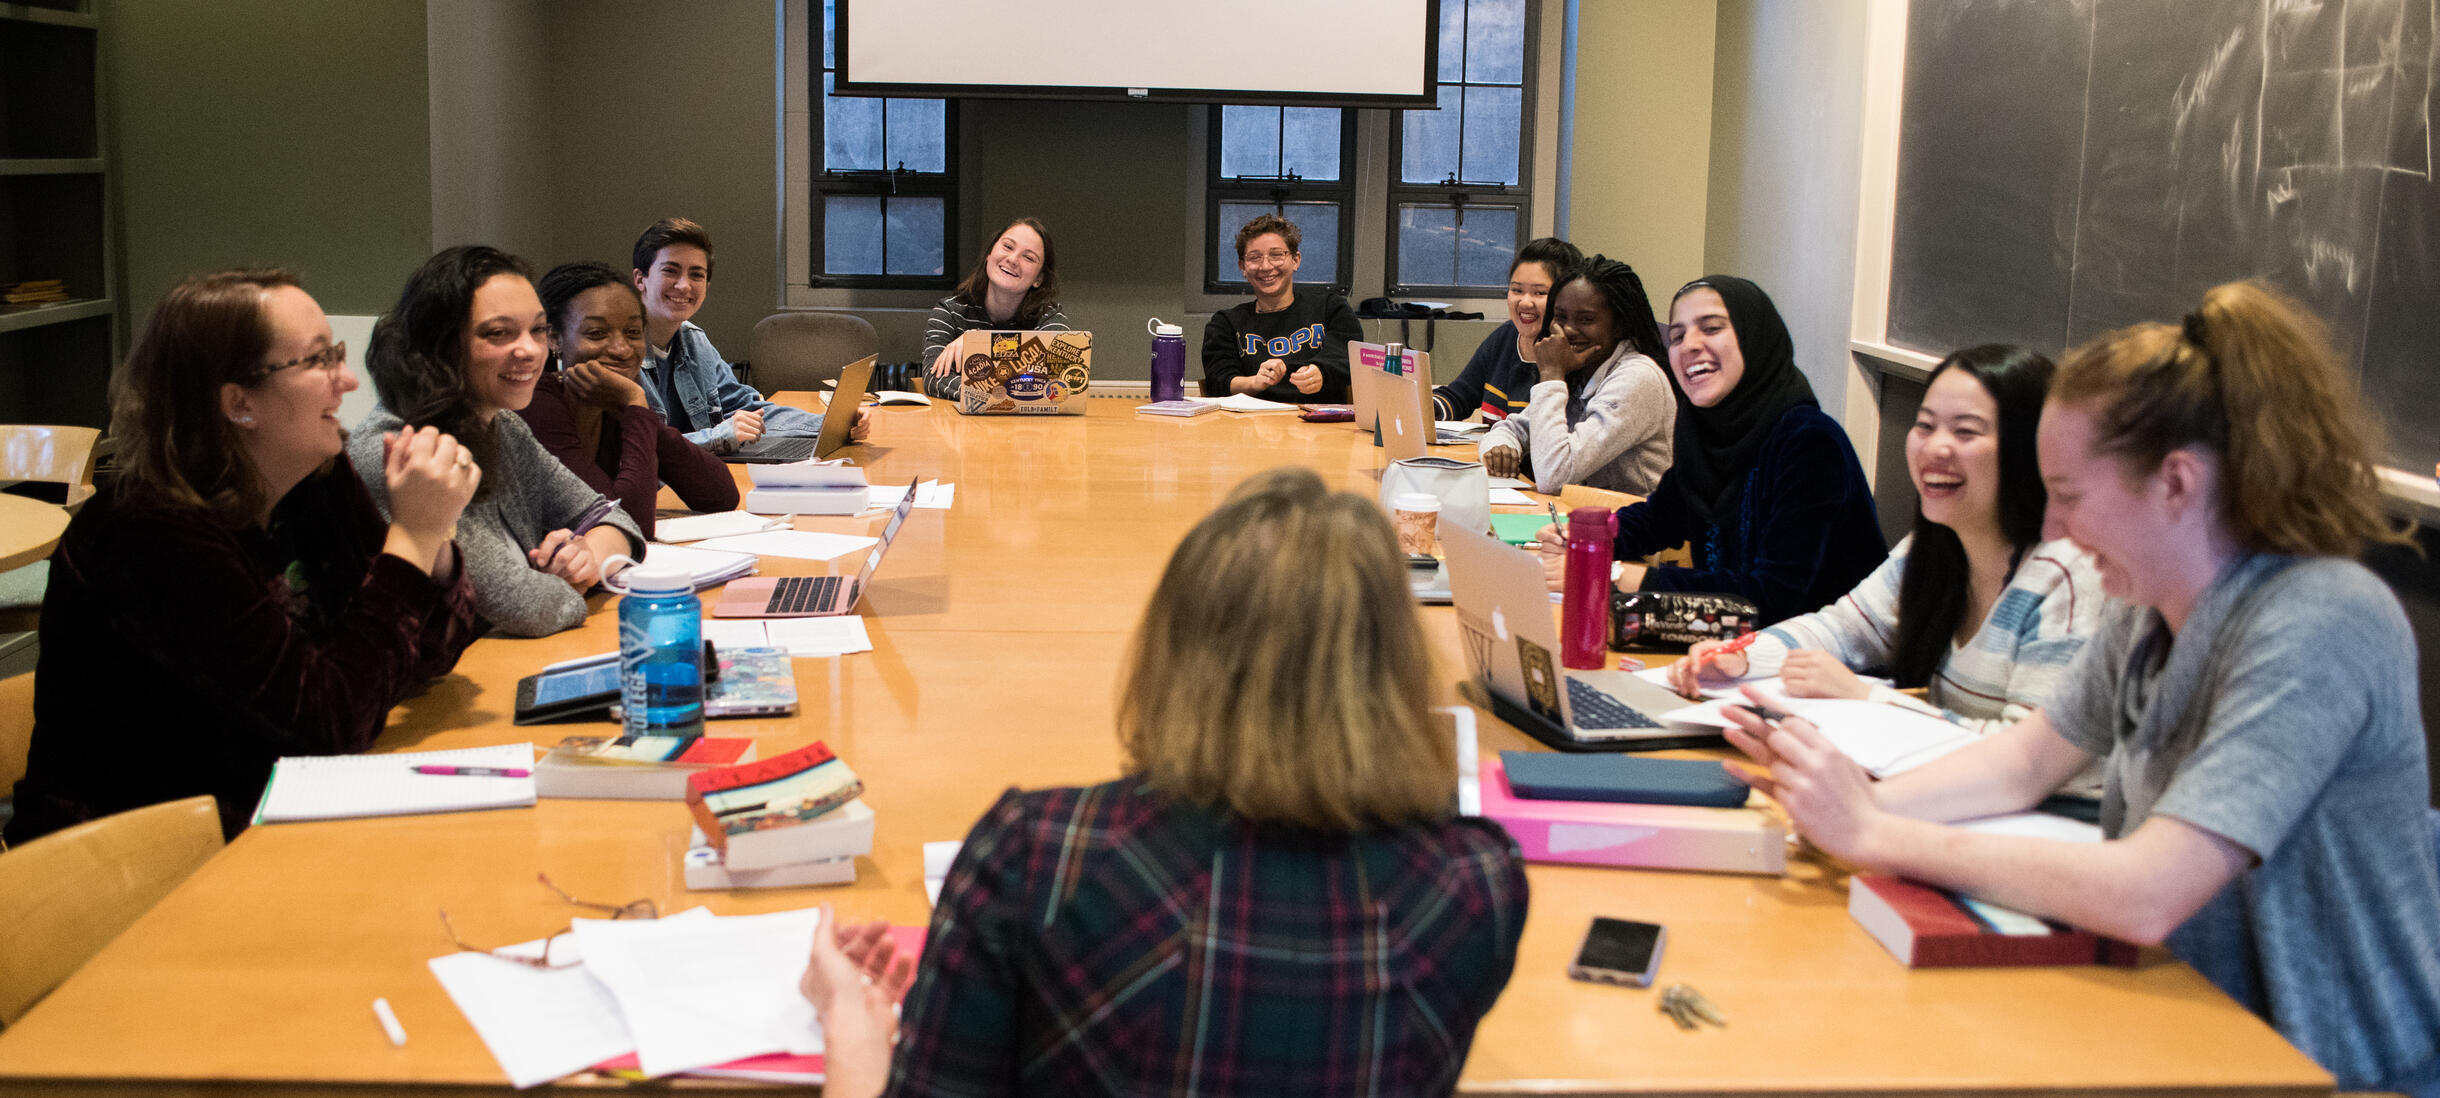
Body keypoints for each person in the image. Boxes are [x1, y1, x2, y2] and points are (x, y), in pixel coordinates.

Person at [1718, 281, 2440, 1095]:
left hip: (2331, 1068)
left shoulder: (2322, 620)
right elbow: (2020, 764)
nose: (2053, 529)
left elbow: (2149, 892)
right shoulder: (2149, 603)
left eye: (2068, 496)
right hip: (2188, 1022)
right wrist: (1846, 803)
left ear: (2176, 483)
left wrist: (1876, 835)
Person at [799, 467, 1529, 1098]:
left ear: (1174, 645)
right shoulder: (1478, 888)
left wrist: (850, 1025)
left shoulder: (1039, 859)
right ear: (1394, 666)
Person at [5, 270, 481, 843]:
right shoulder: (147, 534)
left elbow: (425, 654)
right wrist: (413, 535)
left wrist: (435, 545)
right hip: (133, 865)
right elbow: (325, 729)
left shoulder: (314, 480)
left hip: (274, 822)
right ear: (238, 402)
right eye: (318, 361)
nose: (349, 381)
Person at [1671, 345, 2104, 794]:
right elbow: (1841, 628)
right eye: (1925, 425)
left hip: (2051, 825)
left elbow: (2027, 761)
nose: (1936, 447)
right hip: (1955, 802)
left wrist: (1866, 698)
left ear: (2030, 448)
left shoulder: (2066, 575)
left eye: (1966, 431)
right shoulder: (1933, 548)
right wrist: (1742, 656)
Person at [1536, 275, 1884, 625]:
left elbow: (1773, 599)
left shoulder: (1809, 442)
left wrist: (1612, 574)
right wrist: (1585, 538)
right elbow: (1658, 520)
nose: (1690, 345)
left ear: (1754, 337)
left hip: (1823, 662)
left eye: (1712, 328)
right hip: (1732, 650)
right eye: (1678, 335)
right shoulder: (1705, 430)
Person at [352, 246, 644, 638]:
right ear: (441, 344)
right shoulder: (400, 454)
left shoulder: (504, 425)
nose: (529, 350)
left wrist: (588, 558)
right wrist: (569, 586)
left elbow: (616, 517)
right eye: (498, 333)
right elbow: (525, 606)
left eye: (537, 330)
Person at [516, 261, 738, 542]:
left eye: (633, 333)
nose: (621, 350)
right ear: (554, 338)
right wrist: (635, 401)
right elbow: (628, 525)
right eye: (596, 334)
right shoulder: (537, 406)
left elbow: (721, 495)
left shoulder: (611, 398)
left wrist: (634, 410)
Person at [629, 217, 847, 453]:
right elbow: (639, 449)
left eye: (696, 275)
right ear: (640, 279)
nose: (684, 285)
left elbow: (748, 409)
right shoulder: (618, 353)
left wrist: (832, 425)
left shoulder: (695, 342)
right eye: (670, 271)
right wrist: (716, 437)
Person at [1476, 255, 1675, 495]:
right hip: (1587, 516)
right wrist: (1502, 447)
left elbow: (1554, 476)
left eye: (1586, 319)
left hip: (1639, 526)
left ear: (1620, 325)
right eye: (1560, 317)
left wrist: (1551, 376)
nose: (1568, 330)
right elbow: (1511, 429)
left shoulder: (1637, 377)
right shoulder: (1580, 370)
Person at [1200, 214, 1363, 403]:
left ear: (1295, 260)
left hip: (1320, 426)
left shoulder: (1331, 308)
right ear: (1242, 267)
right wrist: (1254, 382)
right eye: (1254, 258)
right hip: (1252, 426)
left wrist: (1320, 372)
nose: (1266, 266)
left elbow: (1349, 357)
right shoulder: (1225, 323)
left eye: (1276, 255)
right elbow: (1218, 380)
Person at [1431, 235, 1583, 421]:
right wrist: (1423, 409)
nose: (1525, 302)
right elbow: (1459, 396)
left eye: (1539, 293)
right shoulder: (1505, 337)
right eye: (1517, 290)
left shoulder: (1574, 356)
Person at [921, 216, 1070, 401]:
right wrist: (1000, 395)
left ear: (1038, 278)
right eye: (1008, 247)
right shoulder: (949, 311)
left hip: (1027, 428)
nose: (1013, 259)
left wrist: (980, 343)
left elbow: (1058, 379)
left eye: (1029, 258)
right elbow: (933, 379)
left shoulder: (1049, 317)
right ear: (989, 254)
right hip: (961, 427)